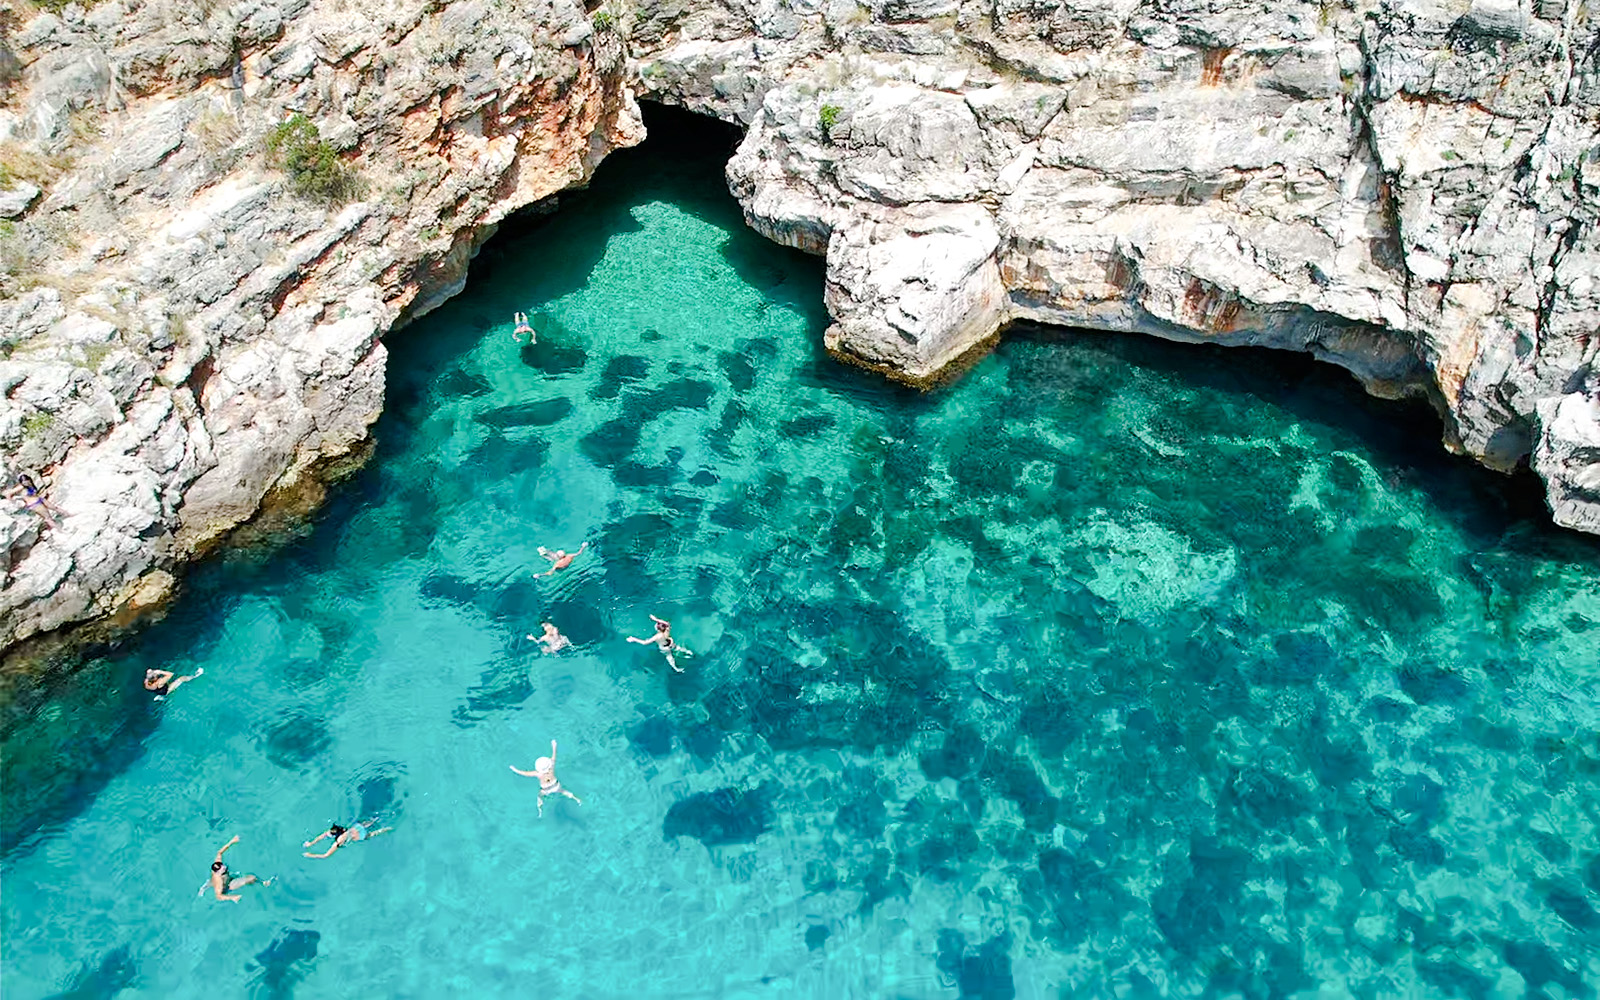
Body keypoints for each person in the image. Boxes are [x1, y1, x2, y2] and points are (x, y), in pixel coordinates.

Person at [509, 739, 582, 817]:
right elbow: (554, 756)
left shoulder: (538, 774)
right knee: (563, 791)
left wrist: (515, 769)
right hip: (556, 785)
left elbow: (525, 773)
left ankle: (540, 811)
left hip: (545, 789)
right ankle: (576, 799)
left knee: (539, 796)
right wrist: (554, 746)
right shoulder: (551, 767)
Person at [202, 835, 273, 902]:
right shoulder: (219, 881)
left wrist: (232, 841)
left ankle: (263, 882)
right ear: (218, 872)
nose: (224, 866)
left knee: (249, 877)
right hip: (227, 886)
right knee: (251, 878)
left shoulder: (218, 864)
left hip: (227, 878)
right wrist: (232, 898)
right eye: (222, 868)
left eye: (222, 865)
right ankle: (264, 883)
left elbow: (219, 853)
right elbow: (218, 896)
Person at [626, 614, 690, 672]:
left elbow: (645, 643)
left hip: (665, 648)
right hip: (670, 643)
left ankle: (676, 669)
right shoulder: (667, 630)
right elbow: (667, 623)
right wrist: (655, 619)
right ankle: (688, 652)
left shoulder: (657, 636)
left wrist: (634, 639)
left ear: (658, 629)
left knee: (669, 656)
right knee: (677, 648)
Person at [302, 819, 391, 859]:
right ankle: (377, 820)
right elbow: (323, 835)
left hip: (360, 836)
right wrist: (311, 843)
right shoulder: (342, 830)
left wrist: (310, 855)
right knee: (372, 821)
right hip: (357, 827)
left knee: (372, 834)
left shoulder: (339, 841)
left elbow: (326, 855)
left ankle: (387, 829)